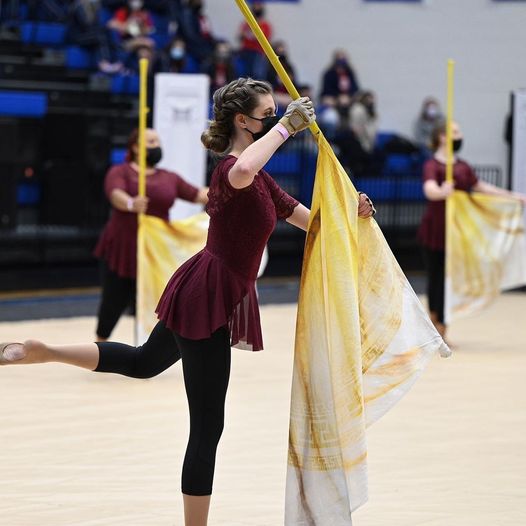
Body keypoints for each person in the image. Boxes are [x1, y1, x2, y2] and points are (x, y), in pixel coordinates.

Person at [0, 78, 375, 526]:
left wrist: (349, 215)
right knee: (207, 427)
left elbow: (307, 221)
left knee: (144, 362)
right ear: (243, 121)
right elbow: (240, 172)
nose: (274, 121)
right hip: (208, 294)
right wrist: (286, 131)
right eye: (267, 115)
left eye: (277, 116)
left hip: (208, 286)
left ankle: (45, 352)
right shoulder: (232, 170)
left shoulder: (263, 180)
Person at [93, 128, 208, 342]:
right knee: (113, 300)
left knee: (153, 300)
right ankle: (101, 343)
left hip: (156, 251)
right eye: (151, 141)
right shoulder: (121, 171)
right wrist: (131, 203)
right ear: (135, 147)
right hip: (122, 248)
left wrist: (227, 188)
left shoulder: (169, 178)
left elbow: (198, 194)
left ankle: (147, 349)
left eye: (157, 141)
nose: (156, 145)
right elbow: (115, 194)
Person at [417, 121, 526, 341]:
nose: (460, 135)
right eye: (455, 132)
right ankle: (435, 324)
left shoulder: (463, 167)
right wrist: (441, 191)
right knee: (436, 279)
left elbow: (482, 187)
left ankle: (444, 327)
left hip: (458, 234)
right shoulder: (432, 165)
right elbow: (429, 189)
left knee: (451, 280)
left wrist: (512, 196)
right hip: (435, 231)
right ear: (442, 137)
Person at [238, 1, 272, 79]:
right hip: (245, 52)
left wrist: (251, 35)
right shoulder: (247, 24)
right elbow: (241, 36)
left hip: (258, 53)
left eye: (258, 6)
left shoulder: (265, 25)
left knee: (256, 76)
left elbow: (264, 39)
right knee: (244, 75)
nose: (256, 8)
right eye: (255, 6)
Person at [350, 90, 378, 155]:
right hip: (359, 141)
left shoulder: (371, 112)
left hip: (369, 141)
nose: (371, 102)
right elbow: (355, 127)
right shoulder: (358, 109)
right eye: (368, 100)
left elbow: (373, 129)